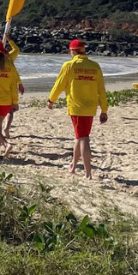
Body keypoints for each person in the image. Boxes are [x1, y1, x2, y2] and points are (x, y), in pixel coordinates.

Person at [47, 39, 108, 179]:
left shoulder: (69, 65)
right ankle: (73, 165)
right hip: (91, 107)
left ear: (73, 51)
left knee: (84, 138)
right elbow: (101, 89)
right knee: (79, 137)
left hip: (77, 108)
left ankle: (88, 173)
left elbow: (59, 84)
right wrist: (104, 109)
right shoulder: (95, 66)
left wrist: (51, 100)